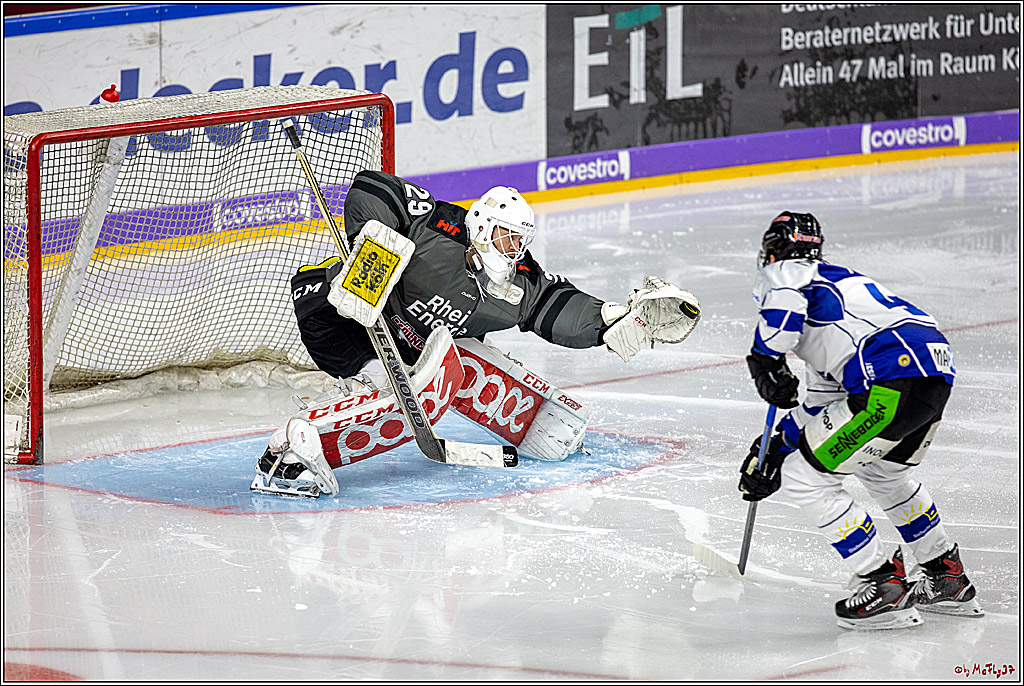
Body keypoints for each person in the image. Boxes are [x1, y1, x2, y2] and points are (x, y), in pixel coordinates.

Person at [252, 169, 702, 497]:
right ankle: (293, 447)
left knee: (457, 353)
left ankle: (526, 417)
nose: (515, 249)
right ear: (483, 227)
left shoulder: (516, 284)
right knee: (385, 381)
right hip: (337, 315)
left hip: (411, 345)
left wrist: (613, 317)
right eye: (508, 237)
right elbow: (374, 187)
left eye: (520, 241)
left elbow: (557, 308)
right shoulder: (440, 228)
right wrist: (373, 252)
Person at [738, 211, 983, 630]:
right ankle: (945, 575)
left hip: (889, 374)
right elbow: (822, 406)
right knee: (884, 473)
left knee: (805, 477)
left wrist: (764, 358)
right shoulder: (838, 297)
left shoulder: (789, 272)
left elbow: (782, 308)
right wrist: (774, 450)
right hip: (931, 375)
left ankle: (883, 582)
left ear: (774, 250)